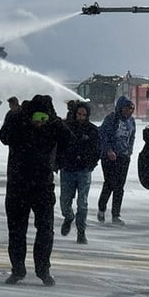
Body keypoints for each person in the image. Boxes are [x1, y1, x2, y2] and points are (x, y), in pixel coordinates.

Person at [0, 94, 71, 286]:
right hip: (17, 185)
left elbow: (69, 142)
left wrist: (55, 122)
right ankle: (18, 270)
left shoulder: (53, 125)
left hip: (43, 185)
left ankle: (43, 270)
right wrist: (17, 118)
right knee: (16, 230)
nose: (40, 123)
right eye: (37, 118)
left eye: (44, 119)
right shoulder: (17, 120)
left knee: (46, 230)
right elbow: (4, 137)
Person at [58, 101, 101, 244]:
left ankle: (81, 231)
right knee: (65, 200)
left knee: (82, 203)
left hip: (84, 170)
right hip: (68, 170)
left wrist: (91, 164)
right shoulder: (67, 128)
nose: (81, 117)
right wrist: (60, 162)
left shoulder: (92, 130)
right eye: (79, 114)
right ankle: (68, 216)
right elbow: (59, 146)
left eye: (84, 115)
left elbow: (97, 149)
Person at [97, 96, 136, 225]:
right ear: (121, 107)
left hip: (124, 157)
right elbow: (103, 136)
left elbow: (132, 137)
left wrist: (129, 151)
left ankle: (116, 214)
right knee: (109, 183)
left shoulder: (131, 121)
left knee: (119, 186)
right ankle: (102, 209)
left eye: (132, 108)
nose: (130, 111)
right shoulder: (111, 119)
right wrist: (108, 150)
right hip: (109, 157)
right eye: (128, 108)